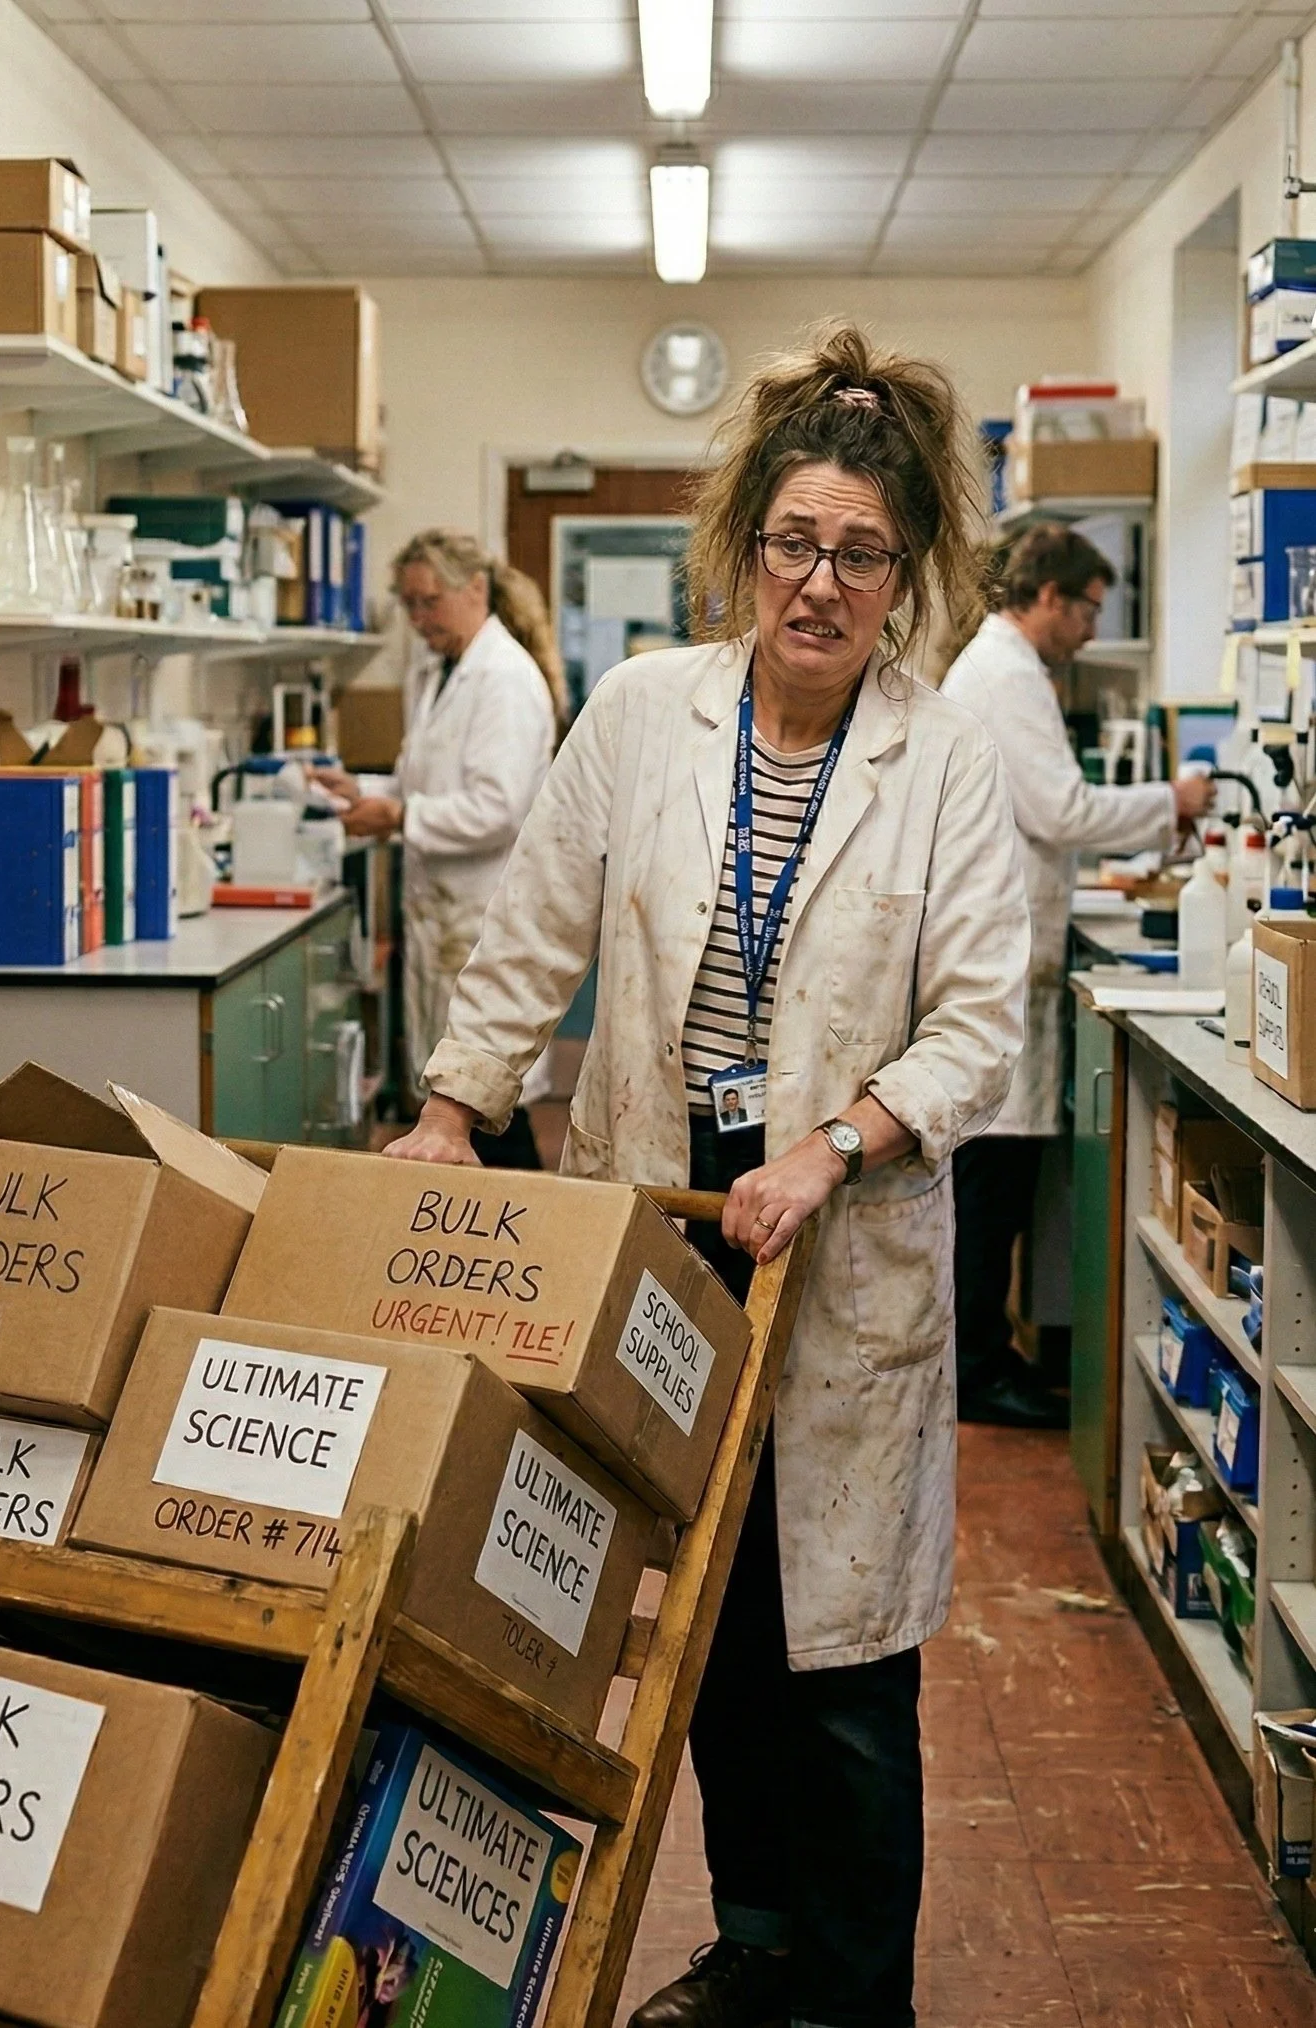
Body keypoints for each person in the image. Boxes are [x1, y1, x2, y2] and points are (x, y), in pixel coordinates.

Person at [384, 322, 1029, 2028]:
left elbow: (978, 1021)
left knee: (846, 1665)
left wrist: (839, 1138)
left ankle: (851, 1992)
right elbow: (533, 940)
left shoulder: (943, 757)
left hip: (846, 1227)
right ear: (748, 538)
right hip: (667, 1225)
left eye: (862, 553)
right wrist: (455, 1105)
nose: (820, 583)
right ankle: (753, 1947)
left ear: (908, 576)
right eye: (794, 540)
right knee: (710, 1633)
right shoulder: (638, 714)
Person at [940, 523, 1213, 1428]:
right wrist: (1168, 804)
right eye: (1089, 608)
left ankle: (983, 1353)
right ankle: (974, 1367)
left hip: (1006, 947)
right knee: (991, 1179)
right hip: (994, 955)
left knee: (997, 1175)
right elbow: (1058, 808)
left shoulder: (1004, 670)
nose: (1093, 629)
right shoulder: (1007, 673)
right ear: (1048, 595)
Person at [320, 529, 566, 1168]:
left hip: (481, 917)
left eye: (429, 601)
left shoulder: (505, 679)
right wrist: (362, 790)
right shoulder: (435, 672)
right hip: (442, 919)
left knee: (486, 1100)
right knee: (460, 1101)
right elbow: (421, 780)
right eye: (408, 604)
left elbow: (497, 808)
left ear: (475, 589)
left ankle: (529, 1244)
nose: (418, 618)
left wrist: (398, 815)